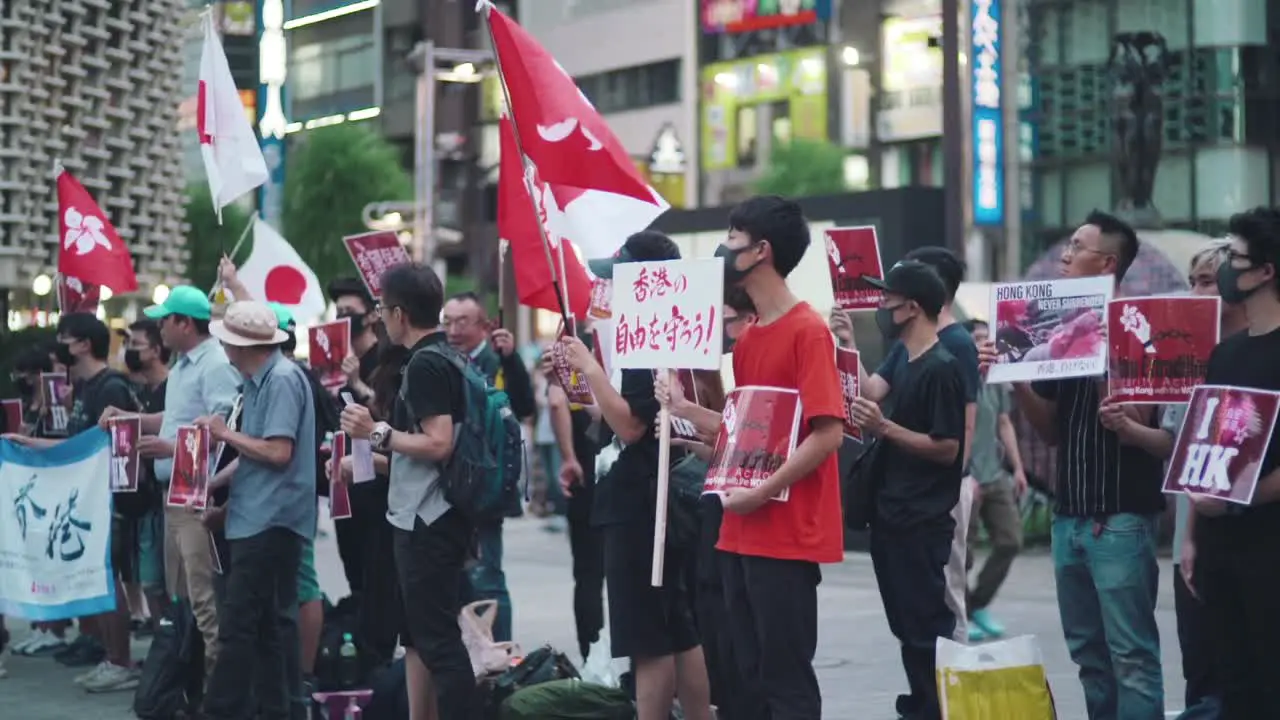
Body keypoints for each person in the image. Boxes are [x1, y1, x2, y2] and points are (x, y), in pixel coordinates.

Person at [978, 210, 1165, 719]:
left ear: (1106, 263)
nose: (1064, 256)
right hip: (1070, 517)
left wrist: (1105, 354)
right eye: (1066, 245)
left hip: (1121, 517)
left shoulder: (1137, 328)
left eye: (1076, 247)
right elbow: (1051, 431)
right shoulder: (1062, 331)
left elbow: (1142, 419)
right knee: (1089, 656)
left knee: (1131, 655)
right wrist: (1014, 374)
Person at [665, 197, 845, 719]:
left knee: (784, 681)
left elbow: (827, 433)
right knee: (744, 679)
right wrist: (688, 422)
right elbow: (747, 435)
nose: (724, 246)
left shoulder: (808, 331)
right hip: (738, 529)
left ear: (761, 250)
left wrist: (762, 491)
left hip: (784, 536)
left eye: (733, 236)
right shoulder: (749, 339)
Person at [560, 230, 712, 720]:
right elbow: (612, 418)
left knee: (649, 638)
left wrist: (589, 366)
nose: (606, 288)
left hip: (642, 505)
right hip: (652, 496)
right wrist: (581, 380)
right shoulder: (663, 330)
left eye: (616, 276)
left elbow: (630, 426)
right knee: (677, 627)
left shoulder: (646, 339)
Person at [1097, 240, 1240, 720]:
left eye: (1207, 281)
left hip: (1246, 533)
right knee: (1200, 663)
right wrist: (1131, 429)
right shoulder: (1184, 359)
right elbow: (1177, 448)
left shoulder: (1253, 355)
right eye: (1192, 281)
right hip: (1190, 534)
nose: (1196, 291)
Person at [340, 262, 474, 720]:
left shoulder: (427, 364)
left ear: (399, 313)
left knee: (438, 641)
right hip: (424, 514)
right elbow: (415, 455)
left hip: (429, 522)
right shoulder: (444, 356)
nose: (378, 318)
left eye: (380, 309)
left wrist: (373, 432)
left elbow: (438, 443)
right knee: (417, 638)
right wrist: (366, 459)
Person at [102, 285, 242, 687]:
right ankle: (190, 684)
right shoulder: (185, 364)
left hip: (197, 495)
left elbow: (224, 428)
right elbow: (176, 418)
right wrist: (131, 420)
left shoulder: (214, 363)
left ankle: (218, 692)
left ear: (184, 323)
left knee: (203, 599)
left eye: (166, 320)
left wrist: (169, 447)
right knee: (180, 598)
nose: (160, 327)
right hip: (174, 496)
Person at [1174, 209, 1280, 718]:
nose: (1224, 271)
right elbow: (1205, 449)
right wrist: (1193, 534)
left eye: (1235, 259)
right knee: (1230, 682)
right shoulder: (1226, 354)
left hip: (1268, 545)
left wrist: (1241, 499)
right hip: (1218, 548)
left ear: (1266, 272)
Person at [849, 262, 966, 720]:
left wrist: (885, 428)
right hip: (892, 516)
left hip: (921, 520)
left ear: (912, 307)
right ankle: (919, 704)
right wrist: (846, 342)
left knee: (924, 626)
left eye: (888, 299)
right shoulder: (905, 358)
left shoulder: (942, 368)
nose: (882, 307)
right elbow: (870, 389)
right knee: (905, 624)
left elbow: (946, 448)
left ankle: (934, 708)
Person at [6, 313, 143, 692]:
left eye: (64, 338)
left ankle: (121, 660)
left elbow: (116, 448)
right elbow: (78, 445)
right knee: (99, 577)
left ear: (83, 344)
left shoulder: (110, 388)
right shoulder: (85, 388)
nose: (59, 345)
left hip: (109, 501)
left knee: (108, 578)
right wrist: (31, 444)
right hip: (90, 500)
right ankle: (110, 655)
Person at [193, 300, 315, 720]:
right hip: (258, 517)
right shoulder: (259, 381)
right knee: (266, 626)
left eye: (228, 341)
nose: (224, 348)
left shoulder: (280, 379)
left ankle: (224, 710)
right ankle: (275, 709)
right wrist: (215, 483)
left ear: (242, 346)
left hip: (271, 520)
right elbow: (255, 452)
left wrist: (225, 432)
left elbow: (278, 452)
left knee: (243, 624)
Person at [441, 290, 535, 643]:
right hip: (451, 483)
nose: (453, 330)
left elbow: (524, 405)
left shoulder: (496, 361)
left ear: (484, 325)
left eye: (462, 322)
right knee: (460, 577)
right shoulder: (442, 360)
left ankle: (502, 655)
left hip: (487, 484)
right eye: (447, 321)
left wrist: (510, 360)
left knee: (487, 575)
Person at [963, 319, 1026, 642]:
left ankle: (976, 604)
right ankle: (959, 614)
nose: (985, 344)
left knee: (1010, 540)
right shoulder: (960, 375)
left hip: (995, 472)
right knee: (965, 552)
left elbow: (1004, 422)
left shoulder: (996, 378)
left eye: (988, 338)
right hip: (967, 477)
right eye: (977, 338)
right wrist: (965, 475)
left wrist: (1017, 468)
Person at [544, 347, 605, 661]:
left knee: (588, 576)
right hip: (626, 474)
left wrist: (569, 456)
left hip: (584, 474)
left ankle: (592, 657)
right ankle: (628, 663)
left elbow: (556, 402)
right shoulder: (629, 347)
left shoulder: (572, 347)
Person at [122, 319, 173, 635]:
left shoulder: (175, 386)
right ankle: (163, 649)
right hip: (144, 501)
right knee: (151, 582)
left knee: (166, 584)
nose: (129, 351)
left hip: (168, 497)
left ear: (156, 350)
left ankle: (173, 649)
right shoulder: (139, 390)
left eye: (135, 345)